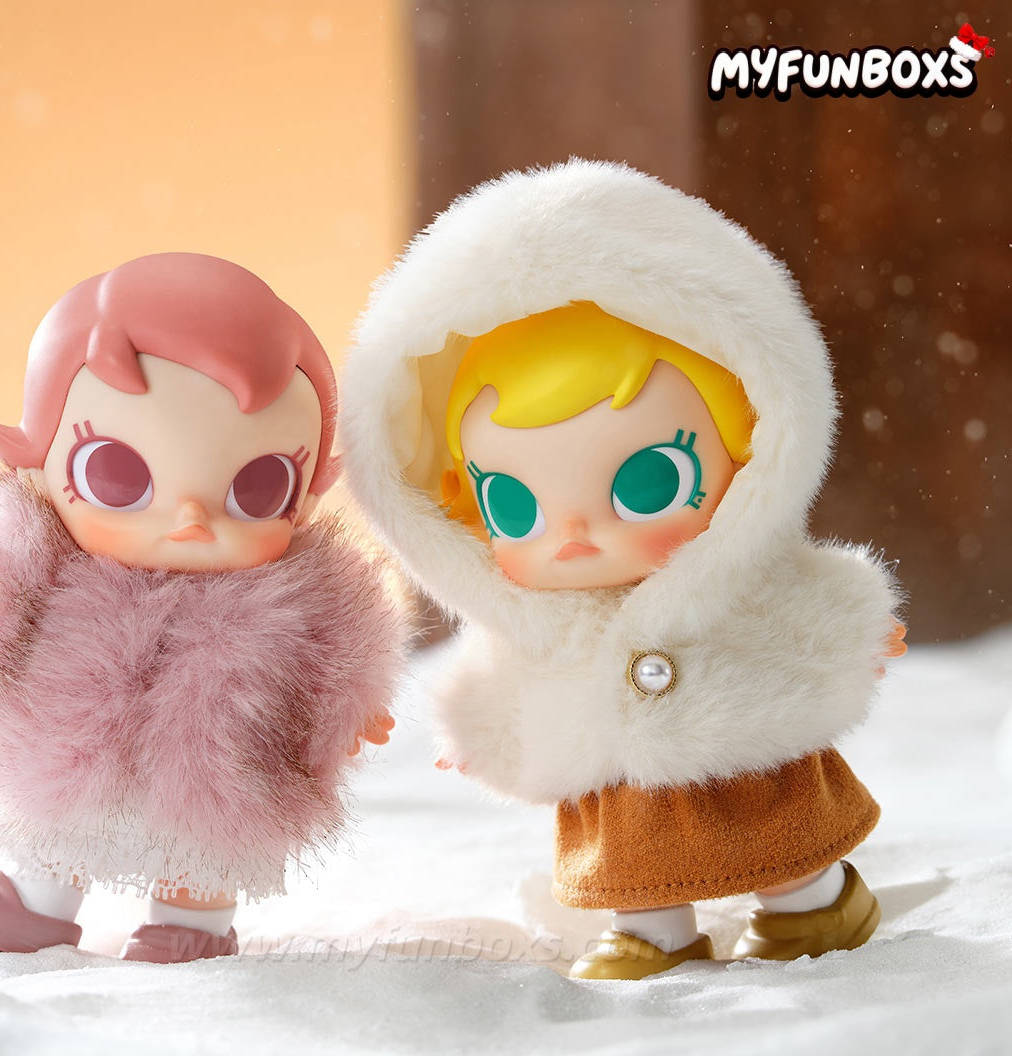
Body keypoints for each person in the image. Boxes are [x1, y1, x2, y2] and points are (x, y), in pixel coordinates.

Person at [341, 161, 904, 981]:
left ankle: (814, 899)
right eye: (515, 506)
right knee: (632, 859)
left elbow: (805, 603)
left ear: (750, 457)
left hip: (749, 746)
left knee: (781, 831)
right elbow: (500, 673)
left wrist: (863, 632)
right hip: (613, 776)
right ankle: (651, 931)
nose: (574, 533)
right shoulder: (536, 619)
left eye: (646, 484)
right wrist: (481, 732)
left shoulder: (736, 577)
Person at [0, 253, 404, 964]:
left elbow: (336, 668)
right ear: (42, 469)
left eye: (257, 487)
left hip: (226, 765)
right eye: (117, 475)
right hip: (72, 750)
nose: (189, 519)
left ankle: (191, 925)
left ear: (304, 497)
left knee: (206, 849)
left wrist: (348, 713)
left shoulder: (308, 599)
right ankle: (35, 904)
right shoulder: (47, 566)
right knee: (63, 826)